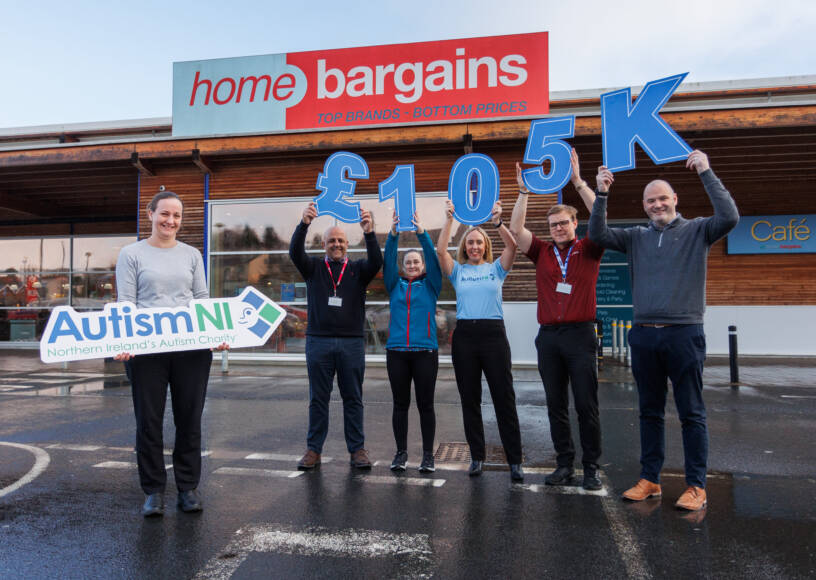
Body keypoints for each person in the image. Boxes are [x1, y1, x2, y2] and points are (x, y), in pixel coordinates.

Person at [588, 149, 739, 511]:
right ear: (644, 206)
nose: (657, 205)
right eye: (651, 201)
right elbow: (597, 234)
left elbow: (730, 216)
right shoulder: (636, 237)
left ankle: (696, 486)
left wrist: (706, 170)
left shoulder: (699, 229)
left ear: (675, 199)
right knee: (649, 411)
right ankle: (650, 479)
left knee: (691, 412)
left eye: (662, 198)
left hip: (683, 334)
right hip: (643, 334)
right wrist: (602, 193)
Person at [115, 190, 227, 517]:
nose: (171, 221)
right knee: (148, 422)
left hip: (190, 349)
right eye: (164, 214)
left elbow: (202, 298)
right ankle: (152, 491)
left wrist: (215, 334)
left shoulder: (192, 254)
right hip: (146, 351)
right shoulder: (131, 254)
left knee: (189, 419)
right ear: (150, 214)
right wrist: (124, 341)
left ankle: (188, 488)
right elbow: (127, 302)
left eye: (177, 215)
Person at [509, 149, 604, 490]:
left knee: (586, 405)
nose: (559, 228)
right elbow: (517, 229)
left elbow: (600, 216)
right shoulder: (543, 252)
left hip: (580, 335)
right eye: (553, 225)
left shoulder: (589, 248)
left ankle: (591, 466)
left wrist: (578, 182)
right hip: (548, 336)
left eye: (564, 223)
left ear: (575, 224)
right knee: (555, 405)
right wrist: (523, 193)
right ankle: (564, 463)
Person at [289, 201, 383, 470]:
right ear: (324, 244)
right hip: (318, 341)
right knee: (318, 398)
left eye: (341, 240)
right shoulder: (314, 268)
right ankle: (313, 450)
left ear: (347, 244)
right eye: (332, 241)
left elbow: (377, 261)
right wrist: (304, 224)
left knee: (353, 398)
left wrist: (369, 232)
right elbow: (295, 252)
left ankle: (357, 450)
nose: (337, 244)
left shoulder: (357, 270)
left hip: (351, 343)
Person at [437, 199, 524, 482]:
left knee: (504, 399)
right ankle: (477, 457)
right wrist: (449, 219)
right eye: (470, 243)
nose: (474, 246)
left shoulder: (496, 269)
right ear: (465, 247)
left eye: (479, 242)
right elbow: (440, 250)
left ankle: (515, 460)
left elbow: (512, 247)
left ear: (486, 245)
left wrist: (498, 222)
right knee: (470, 399)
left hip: (493, 337)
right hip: (465, 337)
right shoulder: (458, 271)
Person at [383, 211, 442, 473]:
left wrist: (422, 233)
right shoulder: (394, 285)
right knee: (400, 405)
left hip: (425, 352)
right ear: (403, 265)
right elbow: (387, 259)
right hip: (397, 353)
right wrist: (393, 234)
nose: (412, 265)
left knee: (426, 405)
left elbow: (433, 256)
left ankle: (428, 456)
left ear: (422, 265)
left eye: (416, 262)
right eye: (408, 262)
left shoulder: (431, 285)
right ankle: (401, 453)